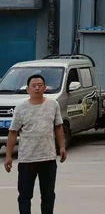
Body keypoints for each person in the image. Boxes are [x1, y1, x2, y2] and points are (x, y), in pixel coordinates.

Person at [3, 74, 67, 214]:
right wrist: (8, 156)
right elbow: (13, 132)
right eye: (33, 86)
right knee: (25, 196)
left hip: (48, 158)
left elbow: (58, 127)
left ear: (45, 88)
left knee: (48, 196)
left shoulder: (53, 105)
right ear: (28, 89)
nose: (37, 88)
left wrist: (62, 147)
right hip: (27, 160)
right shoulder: (21, 108)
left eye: (40, 85)